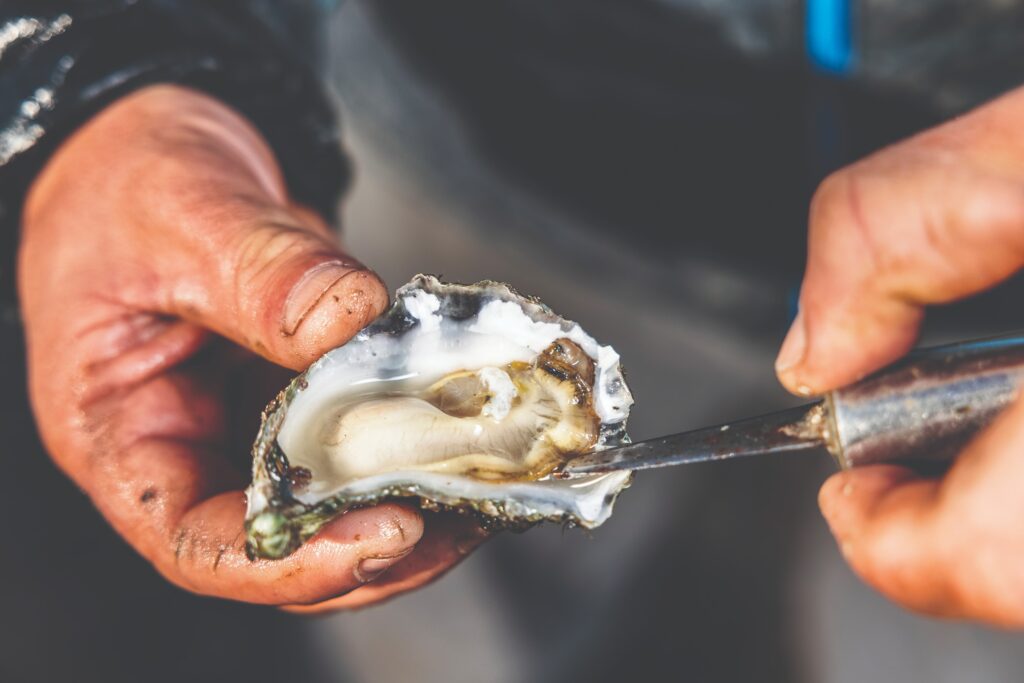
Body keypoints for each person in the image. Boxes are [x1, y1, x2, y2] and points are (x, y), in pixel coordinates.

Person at [1, 0, 1022, 626]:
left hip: (990, 254)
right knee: (488, 602)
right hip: (484, 148)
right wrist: (124, 60)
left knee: (931, 624)